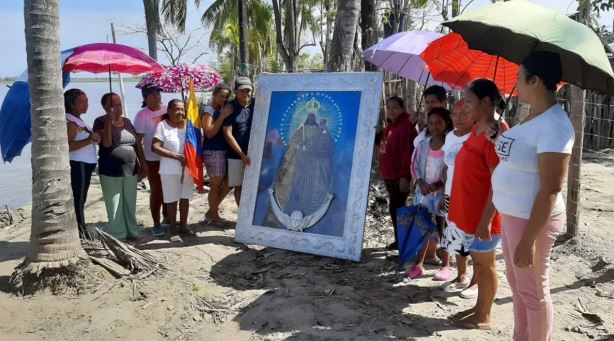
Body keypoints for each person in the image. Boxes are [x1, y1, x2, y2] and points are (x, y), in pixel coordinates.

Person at [491, 52, 573, 341]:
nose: (514, 82)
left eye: (518, 76)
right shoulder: (533, 116)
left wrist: (528, 240)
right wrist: (496, 135)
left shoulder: (554, 125)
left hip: (532, 220)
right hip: (515, 214)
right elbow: (520, 157)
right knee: (519, 286)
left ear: (535, 81)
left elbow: (551, 188)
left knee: (534, 291)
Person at [447, 79, 508, 329]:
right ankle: (478, 307)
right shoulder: (477, 126)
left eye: (470, 101)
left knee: (486, 263)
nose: (465, 105)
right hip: (468, 208)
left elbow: (498, 181)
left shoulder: (498, 132)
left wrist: (486, 219)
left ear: (485, 101)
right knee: (478, 262)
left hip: (484, 214)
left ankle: (484, 316)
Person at [407, 107, 453, 280]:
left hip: (442, 194)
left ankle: (446, 265)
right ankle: (419, 265)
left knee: (444, 227)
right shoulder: (422, 145)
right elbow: (414, 166)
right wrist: (420, 183)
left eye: (439, 122)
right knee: (423, 227)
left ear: (446, 123)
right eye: (431, 122)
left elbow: (450, 169)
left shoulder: (450, 146)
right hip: (424, 193)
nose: (434, 126)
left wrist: (438, 184)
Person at [93, 93, 146, 241]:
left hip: (131, 169)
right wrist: (109, 122)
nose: (117, 108)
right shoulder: (100, 122)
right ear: (105, 107)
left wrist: (143, 164)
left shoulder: (128, 122)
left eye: (119, 104)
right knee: (114, 204)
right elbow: (107, 144)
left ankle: (132, 232)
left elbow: (137, 145)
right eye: (113, 106)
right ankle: (119, 235)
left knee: (130, 202)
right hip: (110, 170)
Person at [439, 100, 474, 293]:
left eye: (464, 113)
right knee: (455, 234)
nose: (458, 118)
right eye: (455, 114)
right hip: (450, 194)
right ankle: (462, 274)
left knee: (472, 238)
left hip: (470, 196)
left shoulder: (478, 136)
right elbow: (446, 166)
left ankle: (477, 280)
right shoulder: (451, 136)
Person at [152, 99, 196, 243]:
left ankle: (183, 226)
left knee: (185, 197)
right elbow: (155, 147)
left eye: (183, 109)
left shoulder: (188, 126)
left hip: (187, 169)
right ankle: (173, 230)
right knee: (171, 199)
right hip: (169, 169)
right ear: (169, 111)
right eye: (177, 109)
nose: (180, 112)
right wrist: (176, 156)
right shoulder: (162, 126)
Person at [378, 96, 418, 249]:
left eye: (395, 107)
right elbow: (385, 145)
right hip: (389, 174)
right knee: (395, 208)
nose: (392, 110)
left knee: (397, 209)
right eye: (389, 107)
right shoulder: (391, 126)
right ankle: (399, 240)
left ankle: (404, 242)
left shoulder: (406, 127)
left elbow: (407, 154)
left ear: (402, 109)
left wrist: (404, 176)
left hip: (398, 176)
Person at [65, 89, 100, 240]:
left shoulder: (77, 120)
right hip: (78, 164)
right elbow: (68, 145)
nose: (86, 104)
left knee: (81, 200)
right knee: (78, 200)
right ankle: (81, 233)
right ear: (71, 104)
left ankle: (80, 231)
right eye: (81, 102)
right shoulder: (70, 122)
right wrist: (90, 140)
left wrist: (94, 138)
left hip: (85, 164)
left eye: (87, 101)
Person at [134, 84, 168, 237]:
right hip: (152, 159)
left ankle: (168, 217)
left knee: (170, 189)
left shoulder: (168, 109)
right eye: (153, 95)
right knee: (157, 191)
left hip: (170, 157)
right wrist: (143, 163)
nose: (157, 97)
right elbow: (137, 142)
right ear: (145, 98)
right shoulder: (141, 115)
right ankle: (156, 223)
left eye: (158, 94)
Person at [201, 84, 233, 223]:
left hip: (224, 151)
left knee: (229, 182)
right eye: (221, 96)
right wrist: (222, 116)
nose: (223, 99)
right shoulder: (208, 110)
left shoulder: (221, 109)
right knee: (216, 184)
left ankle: (211, 211)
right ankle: (213, 214)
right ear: (214, 94)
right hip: (213, 151)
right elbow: (208, 133)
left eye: (226, 97)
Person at [223, 77, 255, 206]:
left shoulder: (257, 104)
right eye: (242, 91)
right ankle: (241, 218)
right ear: (236, 91)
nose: (246, 94)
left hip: (254, 155)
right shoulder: (230, 108)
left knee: (252, 187)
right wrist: (242, 155)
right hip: (236, 156)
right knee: (238, 187)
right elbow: (227, 134)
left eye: (248, 90)